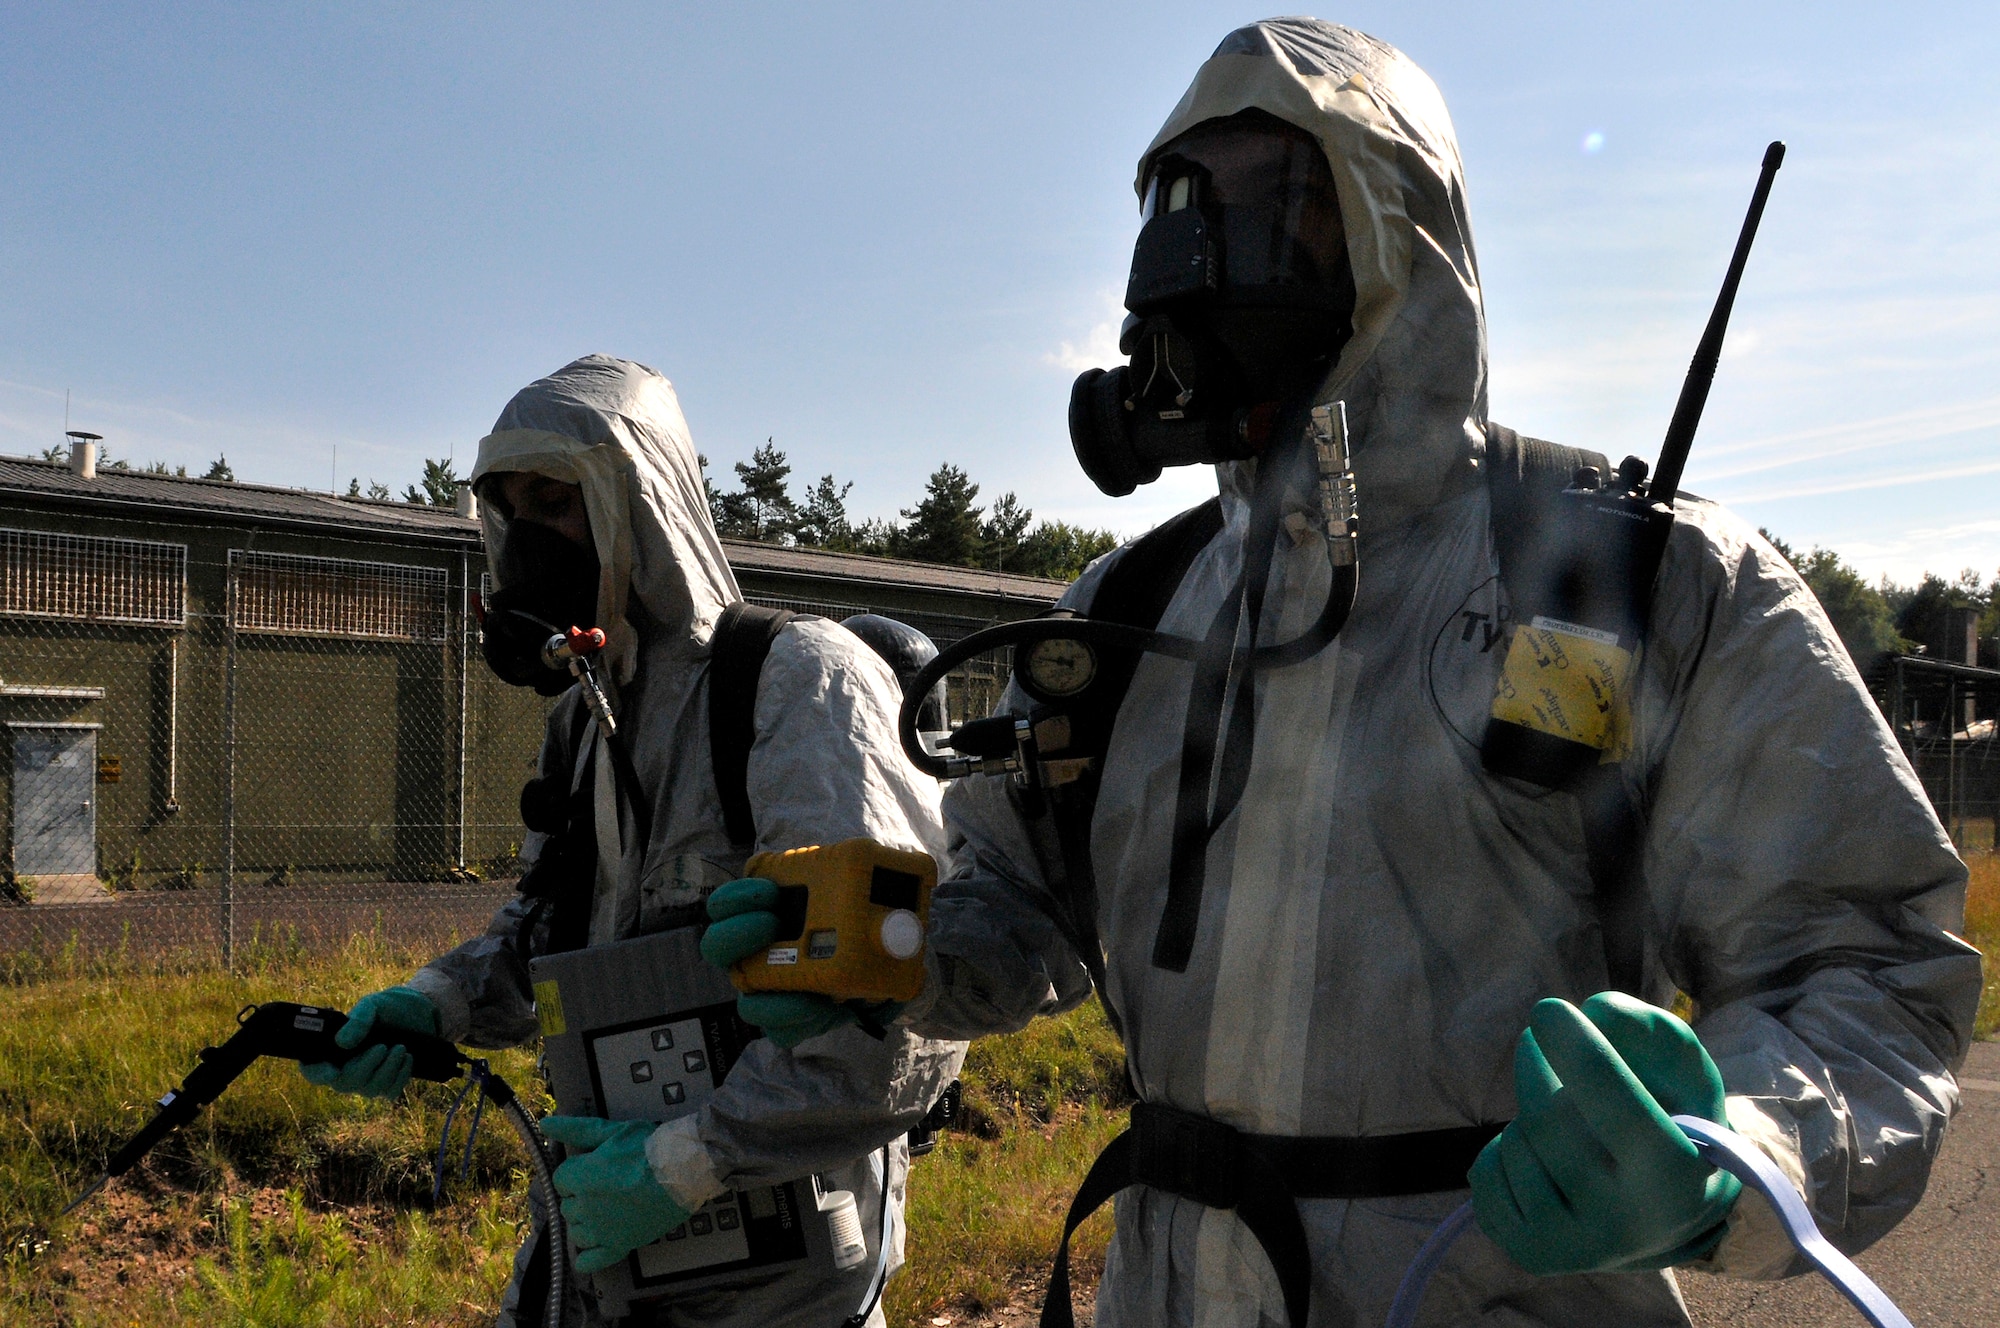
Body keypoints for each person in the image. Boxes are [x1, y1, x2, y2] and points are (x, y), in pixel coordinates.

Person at [719, 19, 1981, 1327]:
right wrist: (881, 950)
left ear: (1402, 236)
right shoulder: (1126, 615)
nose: (1197, 262)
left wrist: (1735, 1156)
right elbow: (1017, 912)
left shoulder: (1644, 586)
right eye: (1176, 207)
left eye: (1276, 203)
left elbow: (1869, 964)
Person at [299, 354, 964, 1327]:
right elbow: (542, 939)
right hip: (605, 1228)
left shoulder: (798, 683)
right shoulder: (583, 721)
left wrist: (692, 1157)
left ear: (638, 502)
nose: (528, 535)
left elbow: (904, 1014)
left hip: (775, 1266)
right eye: (508, 505)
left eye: (555, 501)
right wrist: (431, 1002)